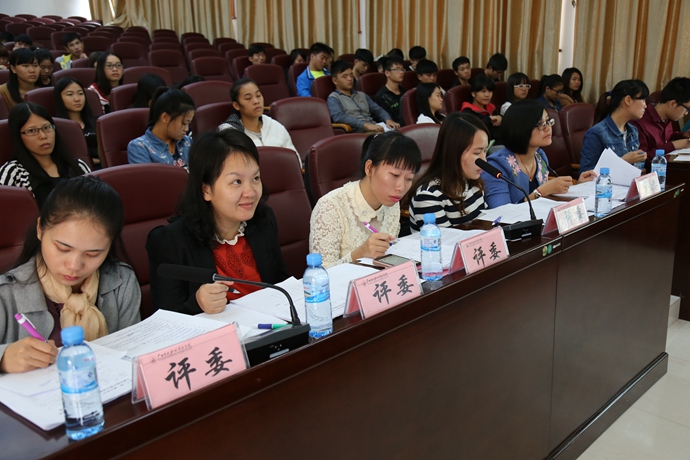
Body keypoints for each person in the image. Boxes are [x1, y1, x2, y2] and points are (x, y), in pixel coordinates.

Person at [0, 176, 141, 373]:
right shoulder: (6, 295)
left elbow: (135, 354)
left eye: (93, 254)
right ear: (40, 230)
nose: (74, 266)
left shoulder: (121, 282)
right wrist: (3, 358)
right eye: (63, 249)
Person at [146, 129, 289, 315]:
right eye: (236, 182)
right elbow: (164, 320)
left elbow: (281, 284)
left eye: (255, 178)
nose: (251, 192)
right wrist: (197, 303)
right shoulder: (169, 242)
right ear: (206, 190)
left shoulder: (263, 220)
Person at [309, 131, 421, 268]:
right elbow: (320, 273)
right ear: (369, 168)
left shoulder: (392, 202)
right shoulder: (330, 207)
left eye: (409, 179)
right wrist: (359, 253)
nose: (401, 187)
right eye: (395, 175)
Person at [483, 100, 595, 208]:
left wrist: (578, 186)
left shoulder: (539, 156)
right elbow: (500, 212)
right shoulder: (496, 166)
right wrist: (540, 192)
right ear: (520, 128)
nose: (548, 128)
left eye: (548, 121)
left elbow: (545, 199)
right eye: (541, 124)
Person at [406, 113, 489, 231]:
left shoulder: (474, 184)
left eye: (485, 151)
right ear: (454, 152)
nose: (484, 160)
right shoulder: (429, 196)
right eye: (477, 153)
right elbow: (445, 241)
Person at [0, 103, 90, 207]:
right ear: (18, 136)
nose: (43, 136)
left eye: (47, 127)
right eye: (32, 131)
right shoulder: (13, 173)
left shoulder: (78, 165)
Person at [218, 78, 299, 165]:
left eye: (258, 95)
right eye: (248, 98)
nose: (256, 101)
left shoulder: (276, 126)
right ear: (236, 105)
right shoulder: (229, 133)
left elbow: (295, 160)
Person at [580, 80, 649, 174]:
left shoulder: (633, 130)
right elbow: (586, 174)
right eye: (643, 100)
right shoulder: (596, 133)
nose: (645, 106)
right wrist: (623, 161)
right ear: (628, 100)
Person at [127, 88, 195, 168]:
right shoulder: (139, 147)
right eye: (184, 123)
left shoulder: (187, 142)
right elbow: (146, 176)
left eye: (188, 124)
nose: (186, 129)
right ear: (165, 118)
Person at [327, 60, 398, 133]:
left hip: (375, 128)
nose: (350, 79)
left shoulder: (361, 95)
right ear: (335, 81)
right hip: (358, 132)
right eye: (345, 76)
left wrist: (388, 119)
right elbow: (339, 117)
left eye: (351, 75)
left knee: (400, 133)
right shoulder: (334, 98)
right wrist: (365, 125)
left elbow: (377, 110)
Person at [630, 77, 690, 156]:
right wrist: (673, 146)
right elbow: (640, 157)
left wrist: (683, 135)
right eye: (687, 109)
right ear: (672, 104)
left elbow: (666, 138)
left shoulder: (667, 118)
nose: (686, 113)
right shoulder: (639, 122)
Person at [54, 77, 98, 160]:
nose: (77, 99)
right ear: (59, 98)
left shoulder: (98, 122)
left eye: (80, 93)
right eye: (70, 94)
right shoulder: (57, 128)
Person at [461, 74, 501, 142]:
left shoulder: (491, 107)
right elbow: (475, 129)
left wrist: (500, 118)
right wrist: (489, 119)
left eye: (490, 91)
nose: (487, 95)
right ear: (473, 94)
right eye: (483, 91)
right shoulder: (467, 111)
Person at [375, 56, 407, 126]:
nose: (401, 72)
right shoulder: (381, 96)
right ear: (387, 73)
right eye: (397, 69)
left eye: (402, 69)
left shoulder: (405, 92)